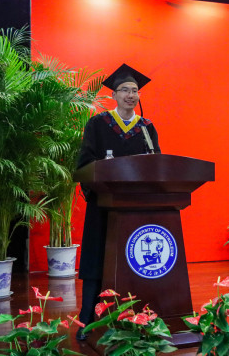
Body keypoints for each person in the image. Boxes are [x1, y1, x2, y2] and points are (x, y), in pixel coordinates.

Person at [75, 63, 161, 340]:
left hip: (137, 210)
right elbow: (85, 164)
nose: (130, 95)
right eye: (125, 90)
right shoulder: (98, 124)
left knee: (135, 262)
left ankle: (140, 319)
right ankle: (87, 321)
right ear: (113, 94)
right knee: (97, 261)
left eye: (134, 91)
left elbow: (158, 165)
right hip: (103, 206)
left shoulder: (146, 128)